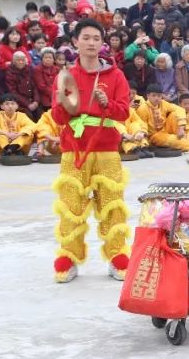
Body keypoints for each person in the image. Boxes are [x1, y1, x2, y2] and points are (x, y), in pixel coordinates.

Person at [49, 18, 131, 283]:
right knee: (71, 203)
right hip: (74, 147)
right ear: (75, 42)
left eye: (96, 38)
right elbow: (59, 118)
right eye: (86, 37)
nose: (91, 43)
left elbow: (124, 112)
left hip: (106, 146)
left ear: (102, 43)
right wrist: (63, 102)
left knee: (112, 202)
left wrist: (108, 104)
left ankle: (117, 253)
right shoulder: (66, 76)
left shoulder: (115, 75)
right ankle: (68, 255)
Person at [137, 83, 189, 152]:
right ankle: (188, 144)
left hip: (164, 131)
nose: (156, 98)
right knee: (180, 142)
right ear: (148, 96)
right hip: (153, 136)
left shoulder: (163, 103)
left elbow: (179, 109)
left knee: (174, 114)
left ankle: (181, 137)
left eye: (159, 96)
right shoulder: (143, 108)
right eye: (154, 95)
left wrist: (181, 128)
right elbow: (142, 125)